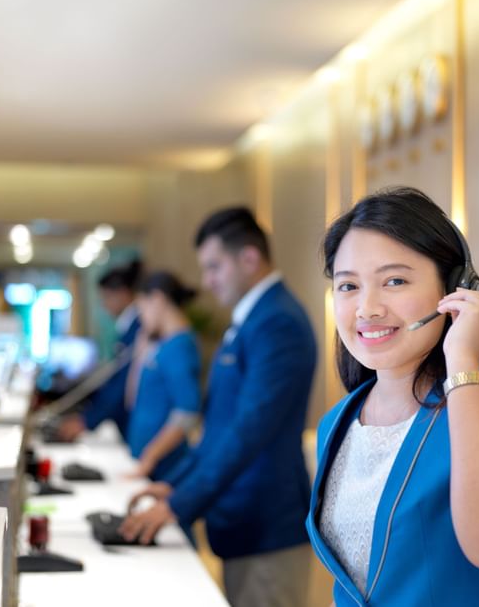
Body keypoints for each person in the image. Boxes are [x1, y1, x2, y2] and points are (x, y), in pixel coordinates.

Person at [308, 186, 479, 606]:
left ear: (455, 288)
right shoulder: (337, 422)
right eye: (348, 286)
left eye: (394, 281)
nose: (367, 308)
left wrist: (464, 363)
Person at [121, 207, 317, 607]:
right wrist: (176, 483)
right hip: (241, 522)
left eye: (214, 267)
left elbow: (249, 430)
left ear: (249, 258)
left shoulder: (277, 323)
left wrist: (178, 505)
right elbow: (220, 428)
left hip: (267, 525)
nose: (207, 282)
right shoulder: (250, 320)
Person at [126, 270, 202, 481]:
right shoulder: (161, 345)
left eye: (142, 308)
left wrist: (151, 456)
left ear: (158, 299)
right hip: (146, 464)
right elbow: (131, 400)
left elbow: (187, 413)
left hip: (163, 467)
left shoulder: (180, 346)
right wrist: (139, 355)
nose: (141, 318)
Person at [58, 259, 143, 441]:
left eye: (106, 297)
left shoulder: (138, 328)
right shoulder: (127, 327)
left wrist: (87, 421)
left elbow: (120, 383)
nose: (104, 305)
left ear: (123, 293)